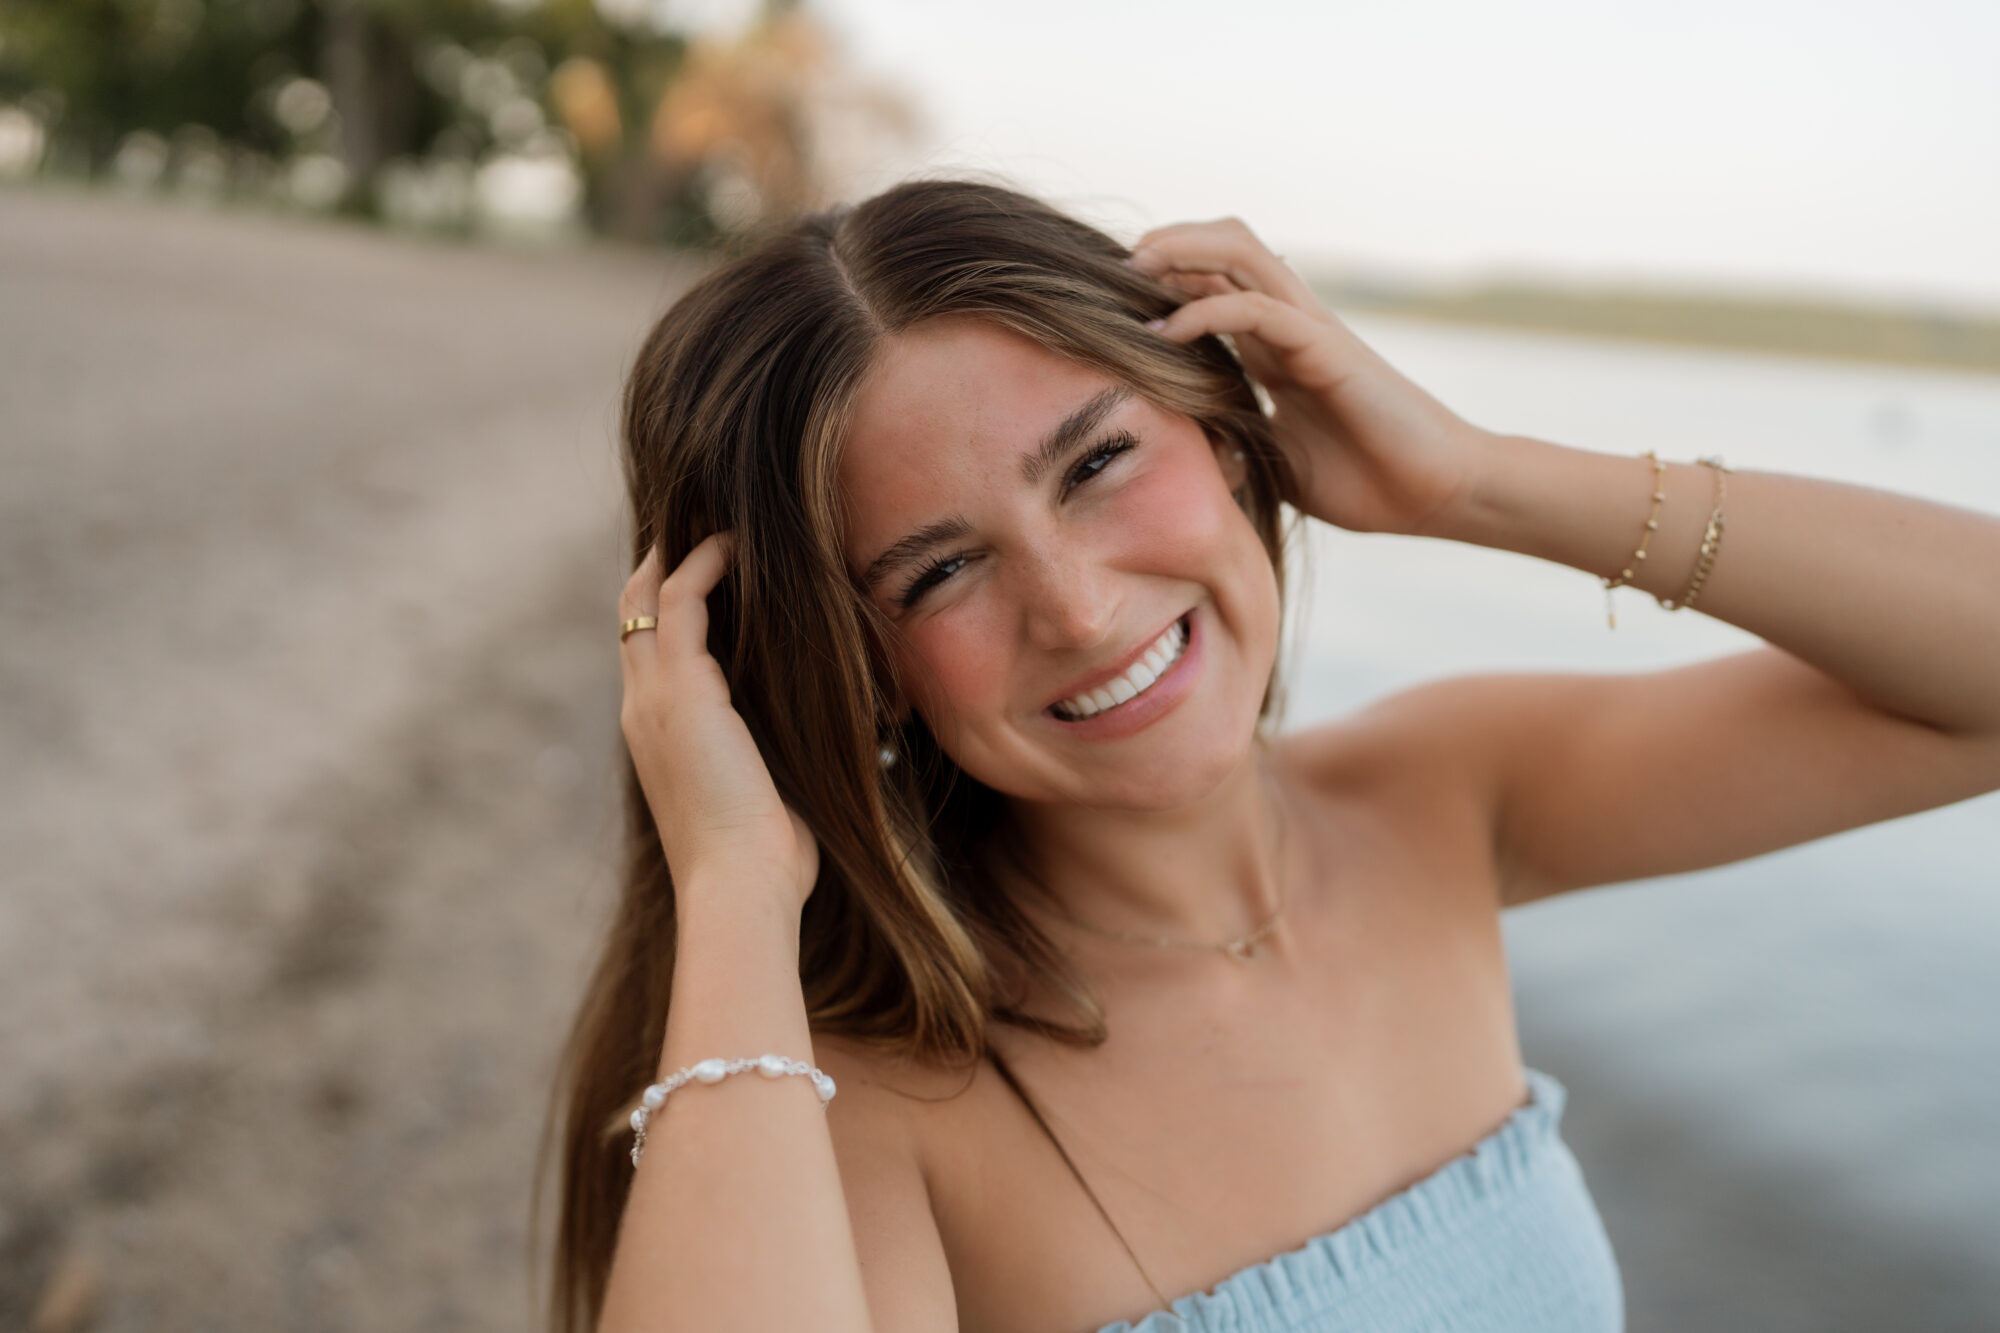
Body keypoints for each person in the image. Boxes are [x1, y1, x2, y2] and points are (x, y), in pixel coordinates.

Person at [537, 178, 2000, 1333]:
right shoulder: (869, 1104)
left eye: (1100, 462)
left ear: (1232, 443)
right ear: (861, 668)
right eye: (937, 573)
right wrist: (729, 882)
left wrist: (1472, 477)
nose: (1079, 606)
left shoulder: (1438, 795)